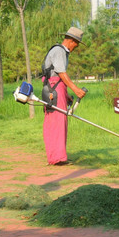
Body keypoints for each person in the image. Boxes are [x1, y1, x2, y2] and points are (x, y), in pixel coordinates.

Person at [42, 27, 87, 165]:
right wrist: (76, 89)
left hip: (56, 88)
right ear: (71, 40)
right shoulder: (59, 51)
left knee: (60, 121)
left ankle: (59, 156)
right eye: (77, 44)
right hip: (53, 88)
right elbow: (61, 73)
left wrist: (66, 95)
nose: (76, 47)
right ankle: (57, 158)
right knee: (56, 122)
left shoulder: (62, 52)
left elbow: (59, 77)